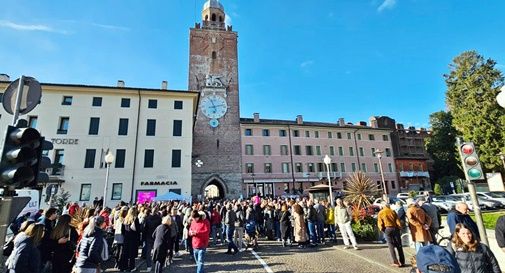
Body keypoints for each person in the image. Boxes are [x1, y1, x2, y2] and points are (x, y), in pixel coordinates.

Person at [377, 202, 405, 267]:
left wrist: (383, 230)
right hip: (395, 229)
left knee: (391, 246)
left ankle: (396, 262)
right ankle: (402, 261)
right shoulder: (393, 211)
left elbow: (380, 224)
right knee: (399, 245)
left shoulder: (381, 212)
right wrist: (399, 228)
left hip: (387, 229)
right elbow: (398, 221)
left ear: (383, 206)